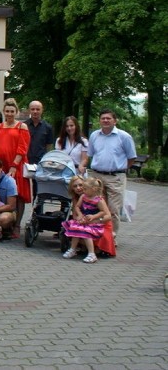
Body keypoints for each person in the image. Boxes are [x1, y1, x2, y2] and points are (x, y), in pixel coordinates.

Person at [87, 109, 136, 240]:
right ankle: (96, 236)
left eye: (108, 118)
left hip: (115, 177)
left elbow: (131, 157)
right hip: (97, 177)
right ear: (99, 121)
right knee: (97, 207)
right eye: (103, 118)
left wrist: (121, 168)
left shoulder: (124, 136)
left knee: (113, 210)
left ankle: (110, 239)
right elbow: (91, 154)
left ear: (115, 121)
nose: (105, 120)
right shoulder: (94, 136)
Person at [0, 98, 30, 237]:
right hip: (0, 165)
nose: (9, 114)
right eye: (7, 111)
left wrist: (14, 166)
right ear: (4, 112)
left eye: (12, 111)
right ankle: (1, 223)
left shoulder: (21, 127)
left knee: (18, 196)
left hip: (15, 165)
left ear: (16, 112)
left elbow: (22, 149)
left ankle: (17, 225)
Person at [62, 176, 111, 264]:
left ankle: (92, 254)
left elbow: (104, 213)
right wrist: (80, 216)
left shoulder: (99, 200)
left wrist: (94, 217)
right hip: (85, 220)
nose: (80, 189)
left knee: (86, 232)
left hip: (97, 222)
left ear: (93, 189)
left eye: (83, 187)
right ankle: (73, 249)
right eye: (75, 186)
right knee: (76, 228)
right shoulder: (83, 197)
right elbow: (77, 208)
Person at [26, 100, 54, 166]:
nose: (35, 111)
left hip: (41, 162)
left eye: (38, 109)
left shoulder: (48, 127)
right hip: (26, 161)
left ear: (42, 110)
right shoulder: (23, 126)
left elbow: (48, 147)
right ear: (29, 110)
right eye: (32, 109)